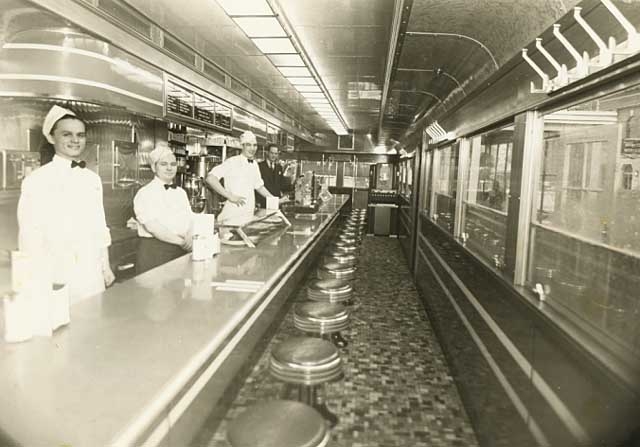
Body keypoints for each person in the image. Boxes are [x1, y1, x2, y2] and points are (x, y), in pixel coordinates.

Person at [17, 105, 115, 303]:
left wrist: (105, 266)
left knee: (95, 328)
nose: (75, 140)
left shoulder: (92, 179)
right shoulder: (36, 181)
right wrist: (37, 280)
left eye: (80, 135)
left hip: (91, 273)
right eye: (67, 134)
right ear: (52, 138)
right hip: (56, 276)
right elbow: (29, 237)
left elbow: (99, 227)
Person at [133, 146, 194, 274]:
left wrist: (190, 236)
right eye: (163, 164)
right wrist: (183, 242)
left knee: (178, 292)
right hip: (156, 253)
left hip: (181, 250)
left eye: (173, 164)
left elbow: (190, 219)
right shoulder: (144, 193)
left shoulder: (181, 192)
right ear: (154, 168)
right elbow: (154, 228)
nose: (169, 168)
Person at [206, 130, 276, 225]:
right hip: (232, 216)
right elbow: (210, 178)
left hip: (247, 216)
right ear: (242, 146)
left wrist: (273, 199)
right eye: (248, 145)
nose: (252, 148)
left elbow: (259, 186)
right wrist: (229, 196)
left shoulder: (254, 164)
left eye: (255, 145)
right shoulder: (232, 162)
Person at [256, 143, 286, 208]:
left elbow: (281, 184)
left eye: (276, 154)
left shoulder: (279, 167)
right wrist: (257, 202)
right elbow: (257, 185)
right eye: (272, 153)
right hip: (264, 202)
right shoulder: (259, 166)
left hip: (276, 202)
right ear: (267, 153)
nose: (274, 155)